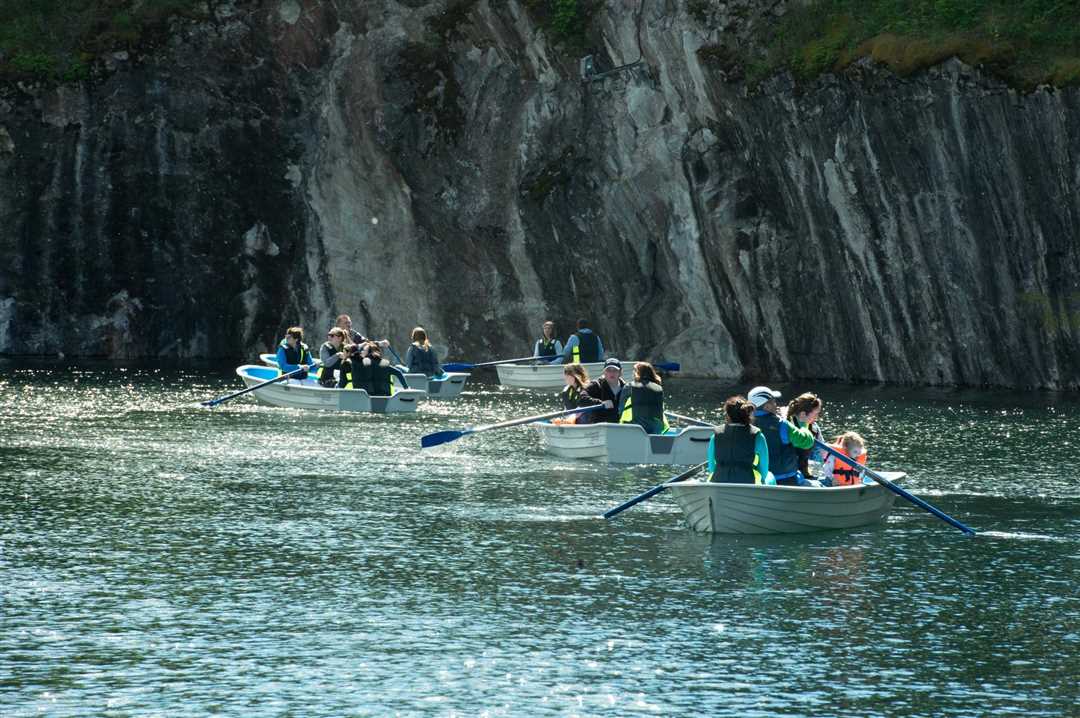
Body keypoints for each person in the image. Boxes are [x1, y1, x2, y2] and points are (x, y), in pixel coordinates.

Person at [748, 385, 816, 486]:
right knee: (817, 485)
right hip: (787, 479)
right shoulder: (782, 425)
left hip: (758, 481)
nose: (776, 405)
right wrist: (803, 426)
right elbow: (806, 442)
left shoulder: (745, 424)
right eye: (773, 402)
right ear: (767, 407)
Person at [707, 395, 773, 484]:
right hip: (748, 484)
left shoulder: (715, 436)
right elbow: (764, 472)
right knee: (770, 477)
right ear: (748, 414)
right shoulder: (758, 437)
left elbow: (711, 468)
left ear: (727, 415)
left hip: (718, 483)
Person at [617, 362, 668, 435]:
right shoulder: (659, 388)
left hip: (636, 429)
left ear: (637, 373)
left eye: (634, 371)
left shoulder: (629, 386)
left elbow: (620, 409)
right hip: (656, 430)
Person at [786, 392, 824, 480]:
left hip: (806, 472)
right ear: (803, 414)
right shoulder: (786, 426)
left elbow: (820, 453)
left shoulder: (814, 428)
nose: (817, 417)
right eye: (815, 414)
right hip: (790, 474)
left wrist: (819, 477)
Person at [583, 358, 625, 423]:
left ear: (620, 372)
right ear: (604, 372)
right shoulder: (596, 385)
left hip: (621, 427)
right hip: (600, 427)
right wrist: (601, 403)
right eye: (608, 370)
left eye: (615, 370)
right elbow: (581, 398)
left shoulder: (626, 388)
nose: (612, 373)